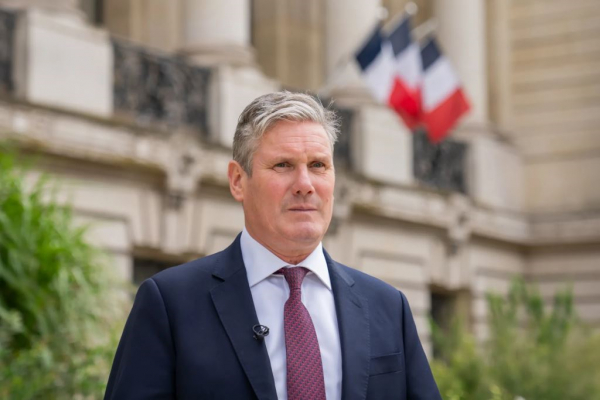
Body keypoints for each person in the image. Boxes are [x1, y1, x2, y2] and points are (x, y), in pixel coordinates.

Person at [104, 91, 442, 400]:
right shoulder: (170, 304)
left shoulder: (388, 307)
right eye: (283, 165)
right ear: (238, 180)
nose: (305, 185)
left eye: (318, 165)